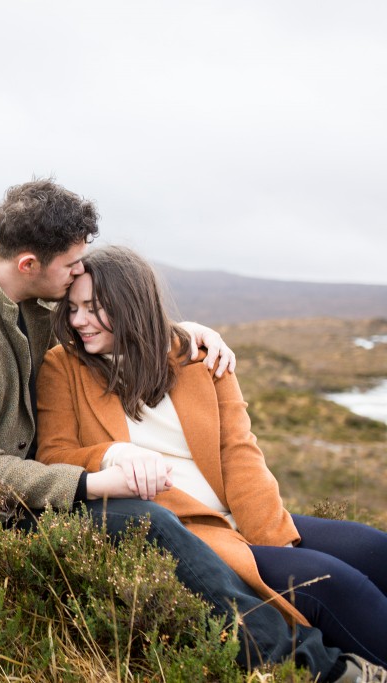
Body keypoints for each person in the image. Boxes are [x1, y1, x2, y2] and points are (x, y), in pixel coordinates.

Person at [0, 179, 373, 681]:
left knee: (370, 550)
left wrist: (180, 331)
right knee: (146, 521)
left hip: (28, 485)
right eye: (70, 269)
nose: (75, 284)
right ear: (29, 265)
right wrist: (95, 480)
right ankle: (316, 670)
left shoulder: (34, 299)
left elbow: (125, 322)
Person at [36, 244, 387, 670]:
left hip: (241, 514)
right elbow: (54, 454)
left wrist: (273, 538)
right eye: (73, 309)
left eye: (93, 308)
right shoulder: (63, 367)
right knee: (331, 586)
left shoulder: (199, 356)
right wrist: (113, 453)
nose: (78, 321)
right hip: (191, 531)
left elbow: (240, 453)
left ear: (131, 304)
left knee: (374, 549)